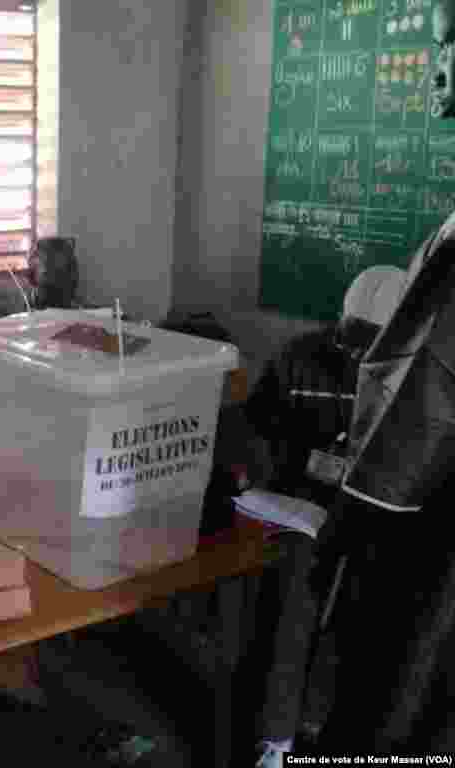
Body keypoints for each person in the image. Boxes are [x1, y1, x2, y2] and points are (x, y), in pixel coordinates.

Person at [313, 2, 455, 751]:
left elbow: (421, 404)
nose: (435, 71)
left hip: (422, 539)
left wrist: (344, 524)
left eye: (449, 47)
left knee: (388, 701)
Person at [241, 266, 404, 767]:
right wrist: (262, 471)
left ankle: (317, 726)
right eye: (349, 338)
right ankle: (279, 735)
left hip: (366, 517)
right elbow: (255, 430)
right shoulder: (299, 360)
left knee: (363, 609)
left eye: (368, 343)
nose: (355, 354)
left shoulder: (410, 382)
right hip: (297, 509)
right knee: (298, 598)